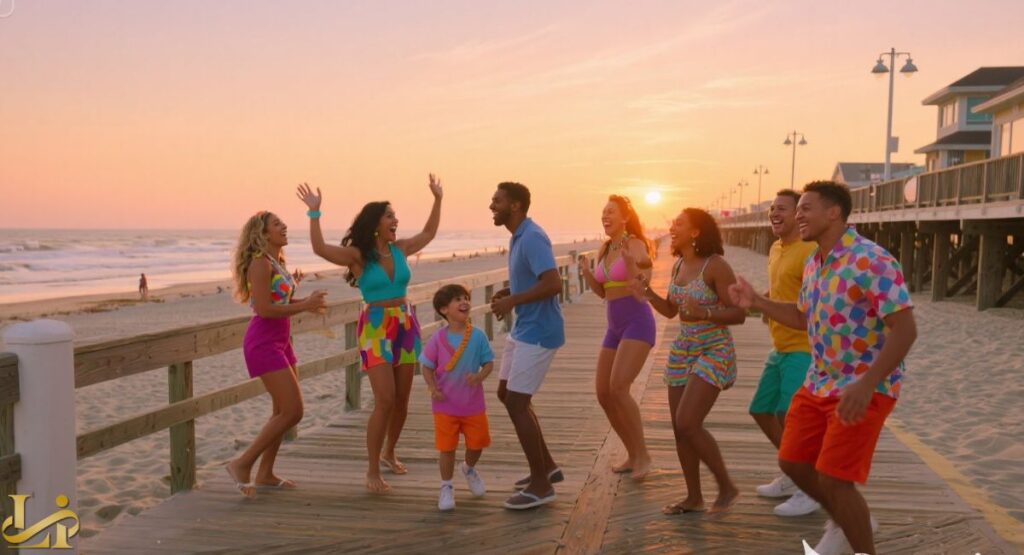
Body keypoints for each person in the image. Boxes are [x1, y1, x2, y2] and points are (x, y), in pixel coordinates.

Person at [729, 181, 917, 555]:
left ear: (834, 213)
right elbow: (801, 317)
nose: (798, 214)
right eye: (796, 209)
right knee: (793, 461)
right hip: (820, 381)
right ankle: (844, 520)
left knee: (834, 477)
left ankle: (859, 540)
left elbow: (906, 329)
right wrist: (757, 302)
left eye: (805, 208)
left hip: (864, 387)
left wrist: (867, 384)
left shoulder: (871, 260)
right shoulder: (815, 261)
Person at [297, 175, 443, 493]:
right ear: (376, 223)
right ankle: (373, 468)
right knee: (385, 399)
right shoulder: (359, 257)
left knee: (402, 400)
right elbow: (320, 248)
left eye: (395, 216)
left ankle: (391, 451)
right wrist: (314, 213)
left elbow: (429, 232)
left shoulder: (401, 248)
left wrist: (437, 199)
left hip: (405, 323)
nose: (396, 221)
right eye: (390, 216)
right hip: (376, 325)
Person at [633, 208, 745, 514]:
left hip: (714, 349)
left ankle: (726, 485)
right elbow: (672, 311)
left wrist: (706, 313)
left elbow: (739, 313)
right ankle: (693, 498)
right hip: (684, 349)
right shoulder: (678, 264)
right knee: (678, 428)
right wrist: (646, 293)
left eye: (679, 223)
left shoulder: (716, 266)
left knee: (688, 422)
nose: (672, 227)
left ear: (696, 232)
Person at [225, 211, 327, 497]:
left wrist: (305, 302)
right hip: (263, 343)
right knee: (294, 411)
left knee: (280, 411)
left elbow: (278, 301)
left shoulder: (275, 261)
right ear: (263, 233)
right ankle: (242, 464)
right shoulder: (259, 263)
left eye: (284, 222)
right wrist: (305, 304)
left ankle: (266, 473)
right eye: (277, 224)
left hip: (282, 341)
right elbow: (265, 309)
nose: (284, 227)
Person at [488, 182, 565, 510]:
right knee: (507, 395)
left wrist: (514, 300)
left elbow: (553, 283)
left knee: (519, 402)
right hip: (524, 328)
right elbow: (533, 279)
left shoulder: (532, 236)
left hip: (539, 332)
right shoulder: (518, 236)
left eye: (497, 200)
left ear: (516, 206)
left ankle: (540, 485)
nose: (491, 205)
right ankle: (546, 467)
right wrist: (510, 292)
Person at [749, 190, 820, 517]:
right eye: (772, 209)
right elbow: (780, 289)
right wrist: (758, 301)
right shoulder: (776, 248)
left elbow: (811, 305)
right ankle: (795, 473)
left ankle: (811, 488)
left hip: (804, 347)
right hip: (779, 346)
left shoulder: (811, 252)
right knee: (762, 410)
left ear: (798, 215)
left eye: (783, 209)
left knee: (787, 415)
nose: (775, 214)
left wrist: (764, 304)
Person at [578, 195, 656, 480]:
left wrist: (635, 265)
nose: (605, 216)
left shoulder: (634, 243)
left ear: (625, 217)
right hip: (614, 325)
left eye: (611, 212)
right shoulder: (605, 248)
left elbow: (645, 275)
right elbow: (602, 292)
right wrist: (588, 274)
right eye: (603, 212)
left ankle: (644, 454)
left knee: (619, 387)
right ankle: (632, 454)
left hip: (637, 321)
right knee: (603, 393)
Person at [419, 284, 494, 511]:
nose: (464, 302)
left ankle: (469, 468)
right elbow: (426, 366)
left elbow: (489, 362)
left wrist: (480, 376)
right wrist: (433, 387)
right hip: (445, 405)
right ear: (444, 309)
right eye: (457, 299)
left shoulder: (478, 336)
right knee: (447, 448)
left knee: (478, 443)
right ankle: (446, 486)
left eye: (466, 298)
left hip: (472, 404)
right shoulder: (437, 339)